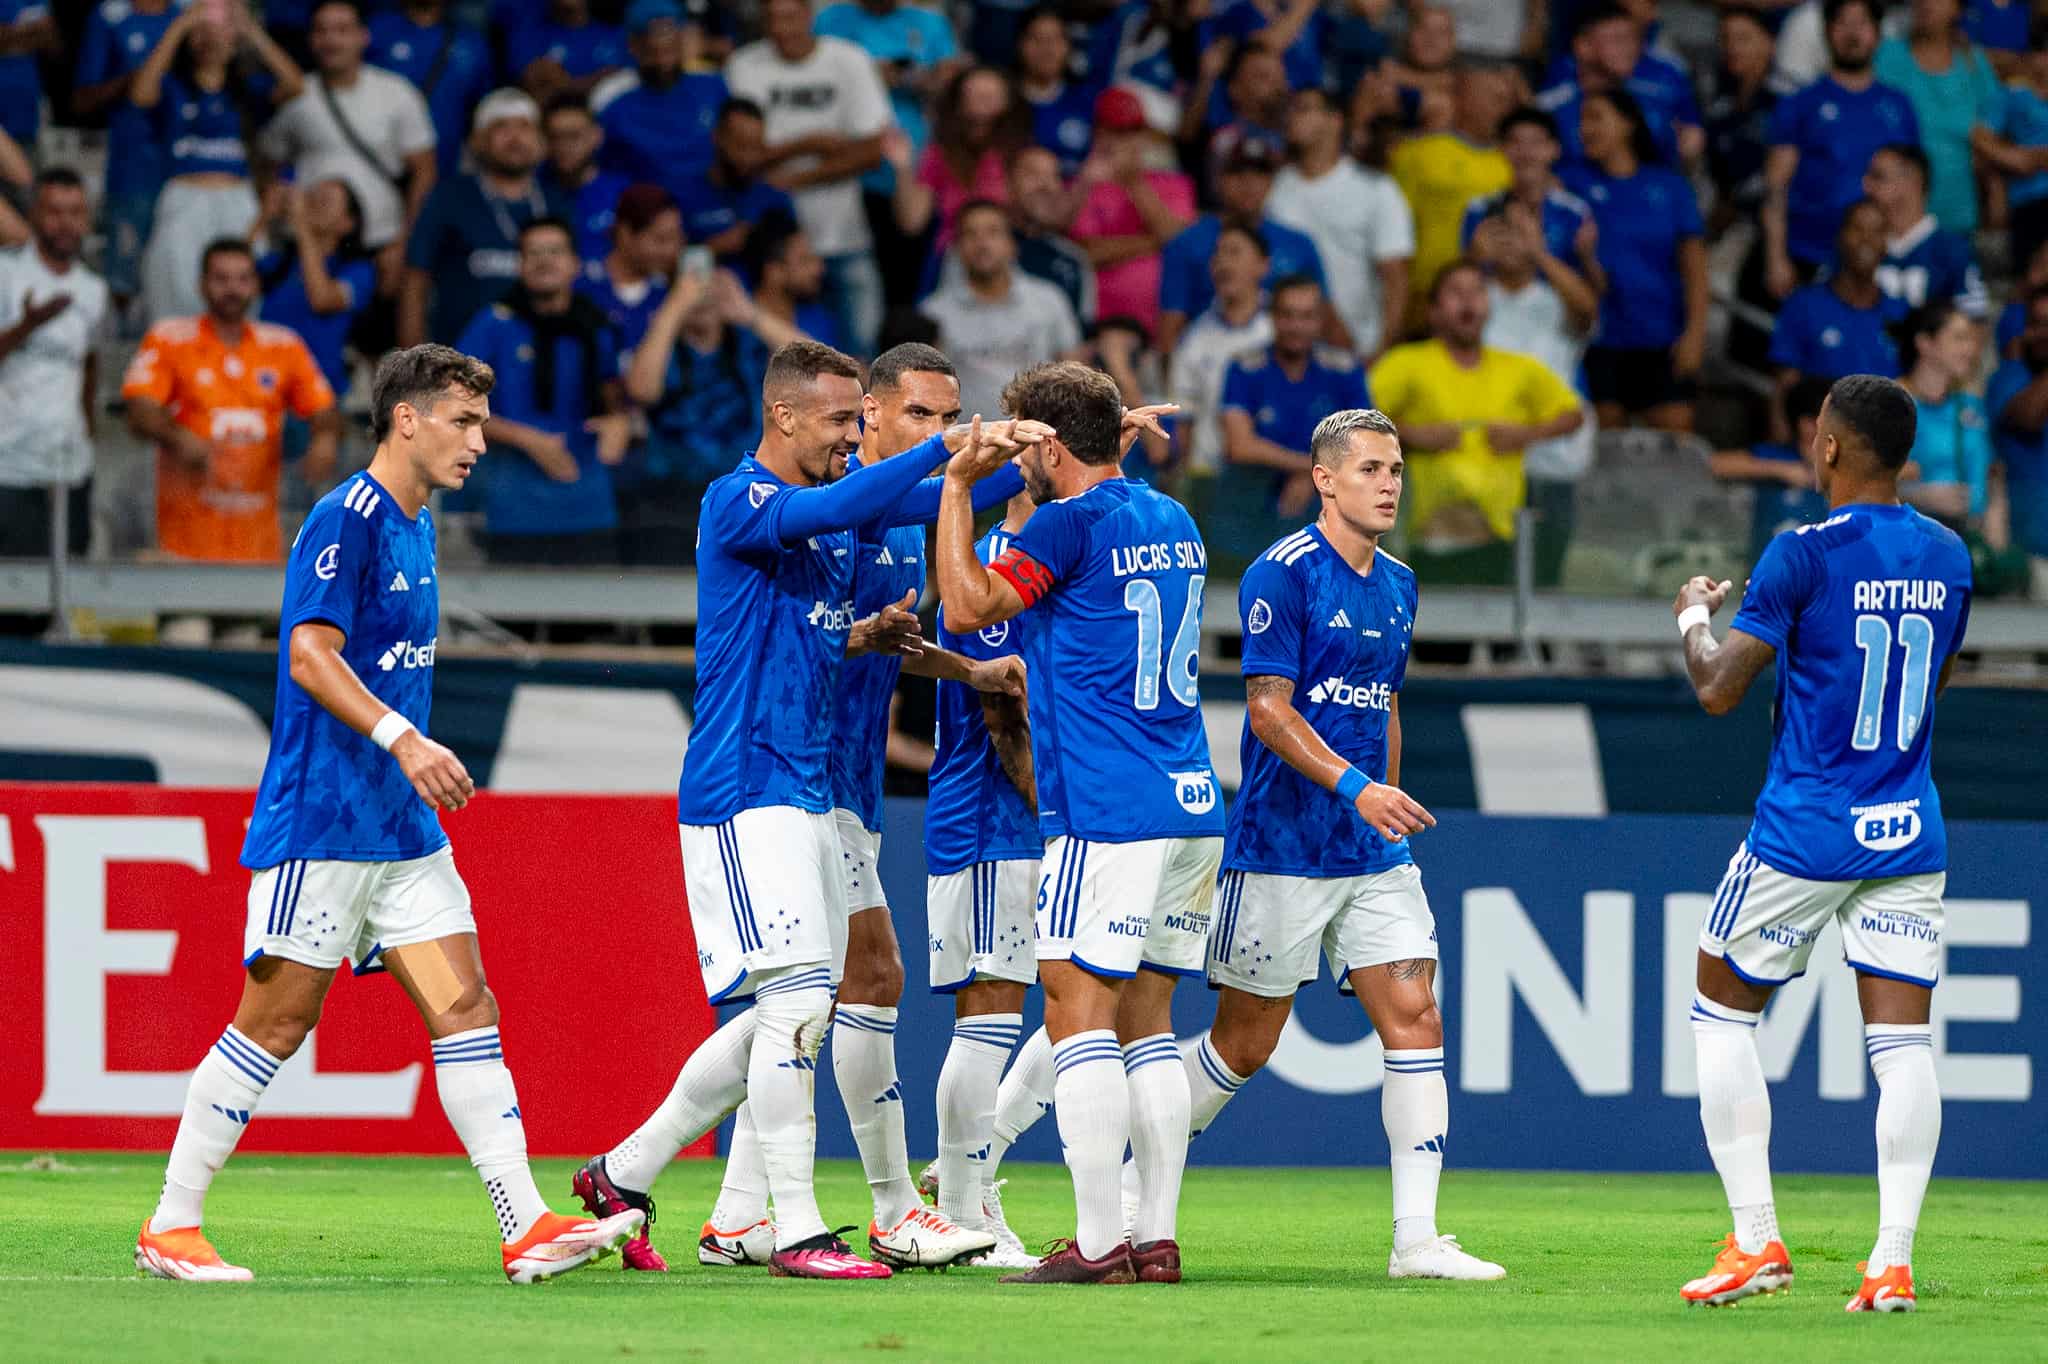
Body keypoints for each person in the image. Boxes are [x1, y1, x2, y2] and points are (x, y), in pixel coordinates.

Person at [131, 343, 647, 1286]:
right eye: (464, 421)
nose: (480, 442)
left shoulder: (418, 524)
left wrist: (404, 764)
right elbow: (309, 656)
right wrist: (406, 741)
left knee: (466, 1005)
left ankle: (525, 1224)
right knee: (276, 1024)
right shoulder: (348, 518)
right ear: (406, 419)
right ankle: (171, 1225)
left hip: (401, 833)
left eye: (482, 423)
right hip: (325, 822)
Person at [568, 341, 1050, 1280]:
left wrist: (1046, 450)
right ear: (784, 416)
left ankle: (636, 1176)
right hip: (746, 786)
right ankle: (803, 1228)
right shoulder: (740, 499)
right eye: (840, 421)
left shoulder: (837, 521)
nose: (849, 437)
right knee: (804, 1001)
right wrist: (955, 448)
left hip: (806, 789)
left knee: (794, 1007)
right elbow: (848, 502)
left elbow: (930, 501)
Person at [1672, 373, 1973, 1313]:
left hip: (1806, 831)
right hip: (1907, 829)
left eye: (1817, 435)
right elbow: (1934, 684)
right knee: (1903, 1044)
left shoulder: (1801, 552)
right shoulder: (1950, 555)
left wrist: (1692, 617)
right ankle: (1891, 1261)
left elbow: (1718, 688)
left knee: (1720, 1014)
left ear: (1831, 446)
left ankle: (1756, 1239)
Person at [1192, 406, 1506, 1281]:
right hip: (1282, 845)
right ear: (1324, 480)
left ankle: (1417, 1240)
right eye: (1371, 469)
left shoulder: (1400, 582)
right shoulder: (1282, 572)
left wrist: (1384, 808)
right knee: (1242, 1048)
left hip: (1370, 853)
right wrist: (1357, 788)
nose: (1389, 484)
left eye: (1397, 469)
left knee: (1416, 1016)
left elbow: (1385, 704)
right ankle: (1129, 1168)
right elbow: (1267, 711)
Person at [933, 360, 1219, 1286]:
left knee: (1075, 1011)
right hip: (1191, 801)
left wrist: (957, 487)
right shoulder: (1170, 517)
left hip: (1106, 808)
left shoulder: (1064, 522)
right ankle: (1156, 1239)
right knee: (1150, 1024)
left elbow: (967, 607)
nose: (1014, 454)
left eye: (1024, 438)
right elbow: (1101, 507)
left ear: (1050, 446)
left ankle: (1097, 1245)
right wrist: (1089, 438)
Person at [810, 343, 1026, 1269]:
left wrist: (962, 668)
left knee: (801, 1003)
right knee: (858, 982)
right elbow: (797, 638)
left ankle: (734, 1210)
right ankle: (905, 1206)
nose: (938, 433)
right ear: (870, 411)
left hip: (852, 783)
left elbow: (893, 639)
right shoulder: (834, 501)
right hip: (797, 780)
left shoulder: (911, 516)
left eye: (949, 418)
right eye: (921, 417)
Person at [920, 470, 1042, 1270]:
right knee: (989, 1012)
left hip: (1011, 822)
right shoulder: (996, 564)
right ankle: (965, 1212)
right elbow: (1006, 711)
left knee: (1077, 1007)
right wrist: (1052, 810)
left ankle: (967, 1174)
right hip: (993, 820)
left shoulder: (1041, 556)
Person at [122, 238, 340, 562]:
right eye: (221, 279)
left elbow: (324, 408)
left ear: (255, 285)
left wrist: (325, 438)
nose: (232, 289)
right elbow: (139, 408)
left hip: (259, 548)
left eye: (242, 279)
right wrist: (176, 436)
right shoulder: (169, 339)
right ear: (202, 285)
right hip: (183, 548)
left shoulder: (283, 345)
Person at [1369, 260, 1584, 586]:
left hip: (1503, 539)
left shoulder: (1519, 368)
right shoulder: (1407, 363)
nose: (1468, 300)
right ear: (1433, 311)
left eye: (1478, 291)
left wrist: (1526, 434)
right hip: (1430, 537)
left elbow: (1573, 414)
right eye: (1456, 292)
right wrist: (1406, 435)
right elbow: (1349, 419)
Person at [725, 0, 894, 356]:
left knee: (864, 352)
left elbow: (871, 151)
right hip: (776, 252)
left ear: (809, 14)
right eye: (772, 19)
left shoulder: (848, 60)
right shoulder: (744, 65)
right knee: (785, 357)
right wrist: (813, 142)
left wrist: (794, 177)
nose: (781, 28)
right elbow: (740, 150)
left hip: (844, 234)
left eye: (789, 16)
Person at [454, 217, 627, 564]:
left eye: (555, 252)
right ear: (520, 265)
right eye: (533, 253)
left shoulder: (597, 327)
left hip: (589, 504)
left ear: (575, 264)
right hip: (514, 505)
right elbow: (454, 406)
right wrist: (531, 441)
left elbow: (616, 404)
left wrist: (619, 425)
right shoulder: (494, 325)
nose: (544, 261)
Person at [131, 0, 305, 326]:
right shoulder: (174, 88)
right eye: (201, 32)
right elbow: (141, 94)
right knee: (174, 291)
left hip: (237, 200)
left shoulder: (247, 90)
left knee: (240, 288)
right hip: (184, 198)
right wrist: (179, 26)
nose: (210, 39)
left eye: (219, 31)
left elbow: (295, 84)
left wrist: (251, 31)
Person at [1469, 200, 1598, 586]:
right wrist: (1474, 260)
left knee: (1547, 572)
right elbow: (1442, 315)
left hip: (1551, 452)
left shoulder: (1556, 299)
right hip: (1488, 452)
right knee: (1484, 571)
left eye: (1522, 230)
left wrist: (1538, 253)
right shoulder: (1476, 298)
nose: (1513, 240)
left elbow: (1588, 310)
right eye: (1503, 230)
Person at [260, 0, 438, 279]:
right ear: (310, 39)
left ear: (363, 36)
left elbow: (424, 172)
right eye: (321, 31)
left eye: (342, 30)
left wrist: (405, 243)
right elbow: (268, 165)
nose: (331, 40)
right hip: (308, 246)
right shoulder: (295, 95)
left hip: (380, 244)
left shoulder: (397, 93)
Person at [1563, 89, 1707, 433]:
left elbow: (1696, 270)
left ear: (1628, 124)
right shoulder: (1570, 183)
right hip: (1598, 338)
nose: (1585, 128)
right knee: (1605, 439)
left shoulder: (1670, 187)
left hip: (1661, 336)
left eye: (1596, 117)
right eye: (1582, 120)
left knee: (1674, 435)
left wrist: (1695, 334)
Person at [1762, 0, 1919, 301]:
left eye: (1862, 23)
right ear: (1826, 31)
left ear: (1877, 33)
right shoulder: (1800, 104)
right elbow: (1776, 185)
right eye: (1842, 23)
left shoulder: (1899, 106)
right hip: (1809, 253)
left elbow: (1912, 187)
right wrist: (1775, 257)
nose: (1852, 34)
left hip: (1882, 260)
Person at [1214, 275, 1369, 572]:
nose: (1296, 326)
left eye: (1307, 316)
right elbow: (1240, 446)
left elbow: (1365, 446)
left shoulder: (1344, 370)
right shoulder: (1245, 367)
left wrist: (1313, 478)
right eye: (1287, 315)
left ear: (1321, 320)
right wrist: (1310, 468)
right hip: (1254, 495)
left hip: (1327, 497)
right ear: (1272, 317)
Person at [401, 88, 565, 349]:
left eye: (525, 127)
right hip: (457, 359)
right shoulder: (450, 197)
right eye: (501, 126)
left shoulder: (557, 202)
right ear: (477, 140)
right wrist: (414, 356)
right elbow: (416, 277)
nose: (515, 137)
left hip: (540, 359)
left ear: (541, 141)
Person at [0, 170, 108, 560]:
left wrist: (87, 436)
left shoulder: (93, 290)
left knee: (69, 580)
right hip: (10, 463)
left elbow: (90, 368)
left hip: (69, 466)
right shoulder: (7, 273)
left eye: (75, 212)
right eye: (55, 212)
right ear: (33, 214)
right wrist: (27, 326)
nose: (65, 224)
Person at [1266, 85, 1413, 363]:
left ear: (1335, 120)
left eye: (1304, 108)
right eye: (1291, 109)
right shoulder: (1276, 187)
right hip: (1289, 346)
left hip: (1359, 347)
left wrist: (1382, 349)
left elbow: (1396, 278)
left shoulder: (1376, 189)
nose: (1292, 117)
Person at [1156, 132, 1326, 356]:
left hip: (1285, 363)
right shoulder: (1186, 243)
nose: (1249, 183)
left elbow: (1325, 319)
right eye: (1237, 172)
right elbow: (1170, 330)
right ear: (1218, 179)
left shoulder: (1299, 244)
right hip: (1209, 358)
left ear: (1271, 181)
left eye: (1260, 172)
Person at [919, 200, 1081, 423]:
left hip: (1040, 436)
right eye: (971, 234)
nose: (982, 243)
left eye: (993, 232)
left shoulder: (1049, 300)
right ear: (957, 249)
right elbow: (929, 393)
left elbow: (1074, 374)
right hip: (968, 440)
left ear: (1012, 244)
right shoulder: (934, 313)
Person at [74, 0, 185, 315]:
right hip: (132, 168)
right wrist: (136, 78)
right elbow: (81, 99)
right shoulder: (110, 16)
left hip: (188, 171)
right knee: (124, 278)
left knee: (182, 273)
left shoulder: (188, 15)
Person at [1389, 64, 1513, 333]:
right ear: (1463, 97)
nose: (1503, 106)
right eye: (1494, 97)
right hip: (1419, 296)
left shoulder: (1513, 164)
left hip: (1486, 302)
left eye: (1506, 99)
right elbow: (1392, 222)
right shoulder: (1418, 153)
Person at [1067, 86, 1195, 343]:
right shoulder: (1084, 185)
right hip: (1101, 327)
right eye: (1115, 131)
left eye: (1132, 131)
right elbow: (1085, 254)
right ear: (1098, 134)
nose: (1125, 140)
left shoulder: (1174, 182)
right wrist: (1153, 242)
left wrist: (1134, 181)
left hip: (1164, 325)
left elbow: (1181, 241)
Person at [1872, 0, 2006, 239]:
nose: (1926, 2)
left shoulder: (1974, 64)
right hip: (1892, 219)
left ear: (1958, 8)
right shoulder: (1884, 55)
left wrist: (1995, 198)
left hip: (1959, 216)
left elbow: (1993, 137)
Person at [1770, 202, 1903, 440]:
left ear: (1886, 242)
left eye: (1876, 231)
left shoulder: (1900, 312)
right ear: (1841, 236)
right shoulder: (1803, 304)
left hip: (1881, 447)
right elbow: (1784, 385)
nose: (1866, 239)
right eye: (1857, 229)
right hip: (1818, 443)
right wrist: (1783, 444)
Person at [588, 0, 729, 208]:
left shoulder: (712, 83)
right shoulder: (610, 95)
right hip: (644, 207)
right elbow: (597, 162)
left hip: (713, 202)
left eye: (669, 39)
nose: (662, 46)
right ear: (634, 46)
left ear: (682, 39)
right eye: (653, 43)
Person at [1535, 2, 1703, 171]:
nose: (1630, 49)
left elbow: (1687, 148)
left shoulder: (1656, 97)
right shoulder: (1550, 106)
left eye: (1634, 39)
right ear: (1583, 46)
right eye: (1617, 40)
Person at [1167, 222, 1275, 480]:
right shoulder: (1195, 337)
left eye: (1234, 252)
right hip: (1209, 474)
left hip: (1275, 475)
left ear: (1263, 265)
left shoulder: (1281, 328)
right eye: (1217, 254)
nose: (1223, 262)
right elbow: (1184, 415)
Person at [1459, 107, 1601, 299]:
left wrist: (1585, 258)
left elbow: (1596, 292)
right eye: (1515, 142)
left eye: (1536, 142)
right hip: (1496, 314)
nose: (1525, 153)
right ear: (1501, 149)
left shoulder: (1575, 211)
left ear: (1555, 149)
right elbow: (1460, 281)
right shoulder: (1478, 209)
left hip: (1560, 315)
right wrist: (1474, 257)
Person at [255, 176, 377, 399]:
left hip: (318, 390)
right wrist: (265, 215)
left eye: (326, 201)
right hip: (266, 382)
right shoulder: (281, 261)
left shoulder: (359, 271)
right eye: (312, 196)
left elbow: (322, 299)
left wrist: (301, 225)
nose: (312, 203)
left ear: (347, 223)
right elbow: (231, 275)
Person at [883, 65, 1027, 248]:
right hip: (954, 254)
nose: (983, 99)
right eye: (975, 93)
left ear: (1008, 102)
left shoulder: (1021, 153)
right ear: (958, 102)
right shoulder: (940, 154)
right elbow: (912, 222)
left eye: (991, 94)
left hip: (1008, 254)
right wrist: (903, 168)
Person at [366, 0, 493, 182]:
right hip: (380, 164)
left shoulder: (471, 42)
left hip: (447, 167)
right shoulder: (377, 30)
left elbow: (482, 108)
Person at [1710, 374, 1833, 560]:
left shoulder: (1845, 463)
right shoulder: (1777, 455)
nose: (1815, 428)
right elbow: (1717, 464)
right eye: (1809, 420)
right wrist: (1781, 470)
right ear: (1796, 422)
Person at [1895, 300, 1994, 529]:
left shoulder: (1970, 406)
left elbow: (1988, 477)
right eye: (1959, 338)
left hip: (1966, 535)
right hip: (1911, 536)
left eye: (1973, 340)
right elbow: (1860, 484)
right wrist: (1919, 497)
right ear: (1925, 343)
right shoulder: (1889, 404)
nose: (1970, 349)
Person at [1863, 142, 1988, 319]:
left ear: (1912, 182)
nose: (1866, 185)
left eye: (1878, 176)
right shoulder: (1861, 245)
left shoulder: (1953, 251)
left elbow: (1975, 321)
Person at [1703, 5, 1796, 237]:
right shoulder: (1719, 104)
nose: (1733, 48)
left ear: (1770, 43)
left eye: (1743, 39)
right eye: (1726, 39)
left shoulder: (1789, 99)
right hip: (1734, 222)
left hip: (1786, 223)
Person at [672, 96, 798, 264]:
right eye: (741, 146)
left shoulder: (776, 197)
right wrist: (713, 248)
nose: (749, 158)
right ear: (717, 137)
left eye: (757, 147)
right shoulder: (683, 196)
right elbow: (665, 265)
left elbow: (799, 262)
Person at [1987, 285, 2048, 588]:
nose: (2039, 334)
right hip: (2031, 555)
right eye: (2035, 324)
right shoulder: (2009, 377)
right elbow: (2028, 418)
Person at [578, 182, 679, 358]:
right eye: (660, 239)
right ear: (625, 234)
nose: (671, 250)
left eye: (676, 238)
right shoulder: (581, 287)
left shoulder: (674, 291)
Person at [539, 94, 634, 265]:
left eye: (573, 136)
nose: (564, 146)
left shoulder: (624, 194)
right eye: (555, 137)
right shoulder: (535, 194)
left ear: (597, 136)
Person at [1013, 5, 1096, 177]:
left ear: (1068, 46)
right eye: (1037, 39)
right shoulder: (1005, 101)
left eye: (1055, 40)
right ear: (1020, 44)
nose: (1047, 50)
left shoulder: (1089, 100)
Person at [747, 213, 843, 349]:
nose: (819, 268)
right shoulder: (738, 327)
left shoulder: (818, 316)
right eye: (805, 260)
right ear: (774, 272)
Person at [506, 0, 628, 104]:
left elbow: (626, 82)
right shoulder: (529, 34)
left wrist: (565, 85)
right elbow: (534, 85)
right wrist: (599, 79)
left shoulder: (617, 35)